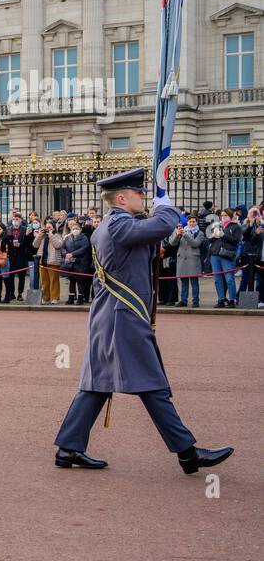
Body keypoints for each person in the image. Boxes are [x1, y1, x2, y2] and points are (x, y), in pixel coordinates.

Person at [53, 168, 234, 475]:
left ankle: (69, 447)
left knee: (98, 384)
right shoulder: (119, 225)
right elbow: (162, 226)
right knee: (152, 383)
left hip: (110, 314)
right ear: (122, 199)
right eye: (139, 194)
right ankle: (187, 453)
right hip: (122, 316)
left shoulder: (111, 224)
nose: (144, 197)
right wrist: (166, 204)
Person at [207, 213, 241, 308]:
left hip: (227, 255)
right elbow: (209, 240)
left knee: (229, 279)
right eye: (222, 215)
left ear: (230, 216)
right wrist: (212, 235)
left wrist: (223, 235)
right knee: (217, 279)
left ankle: (231, 300)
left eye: (225, 215)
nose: (223, 217)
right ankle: (221, 299)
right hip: (215, 254)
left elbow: (235, 241)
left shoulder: (236, 227)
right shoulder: (217, 225)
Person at [169, 216, 204, 307]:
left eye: (194, 221)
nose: (192, 223)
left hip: (193, 259)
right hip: (182, 259)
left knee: (194, 282)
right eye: (190, 221)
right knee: (183, 282)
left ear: (196, 222)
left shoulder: (199, 233)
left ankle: (195, 301)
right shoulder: (182, 231)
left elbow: (195, 244)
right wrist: (177, 235)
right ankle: (183, 300)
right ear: (187, 222)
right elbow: (173, 243)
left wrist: (185, 235)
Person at [61, 217, 92, 305]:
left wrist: (73, 254)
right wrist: (66, 254)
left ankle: (80, 298)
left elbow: (84, 248)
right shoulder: (67, 238)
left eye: (77, 228)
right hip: (70, 263)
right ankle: (71, 298)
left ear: (80, 229)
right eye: (73, 228)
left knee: (80, 281)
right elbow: (63, 248)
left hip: (80, 262)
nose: (75, 230)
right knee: (72, 281)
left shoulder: (84, 238)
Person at [33, 219, 64, 304]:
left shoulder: (57, 235)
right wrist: (39, 235)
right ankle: (45, 298)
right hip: (42, 261)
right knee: (44, 281)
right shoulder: (42, 237)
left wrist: (51, 235)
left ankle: (55, 298)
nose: (47, 229)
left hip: (53, 261)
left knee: (54, 280)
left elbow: (58, 245)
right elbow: (35, 245)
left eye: (49, 227)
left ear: (54, 228)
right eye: (46, 227)